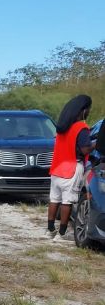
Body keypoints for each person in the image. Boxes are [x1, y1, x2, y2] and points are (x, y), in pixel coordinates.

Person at [47, 95, 95, 239]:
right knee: (67, 202)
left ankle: (50, 230)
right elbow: (85, 149)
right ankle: (61, 234)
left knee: (54, 199)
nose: (89, 112)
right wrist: (96, 144)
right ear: (83, 110)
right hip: (72, 168)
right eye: (89, 109)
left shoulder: (62, 128)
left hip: (57, 168)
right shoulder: (81, 127)